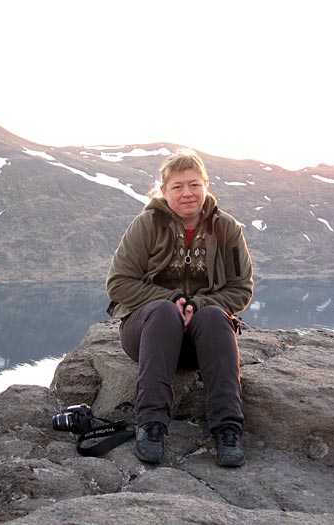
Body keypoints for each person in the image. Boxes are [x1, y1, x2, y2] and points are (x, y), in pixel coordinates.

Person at [105, 148, 253, 467]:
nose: (187, 193)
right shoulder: (146, 225)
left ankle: (227, 430)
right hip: (148, 333)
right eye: (177, 186)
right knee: (162, 311)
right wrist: (172, 300)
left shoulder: (227, 229)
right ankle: (151, 425)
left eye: (194, 184)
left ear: (206, 185)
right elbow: (118, 283)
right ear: (164, 191)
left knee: (215, 316)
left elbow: (241, 289)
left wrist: (198, 304)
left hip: (202, 340)